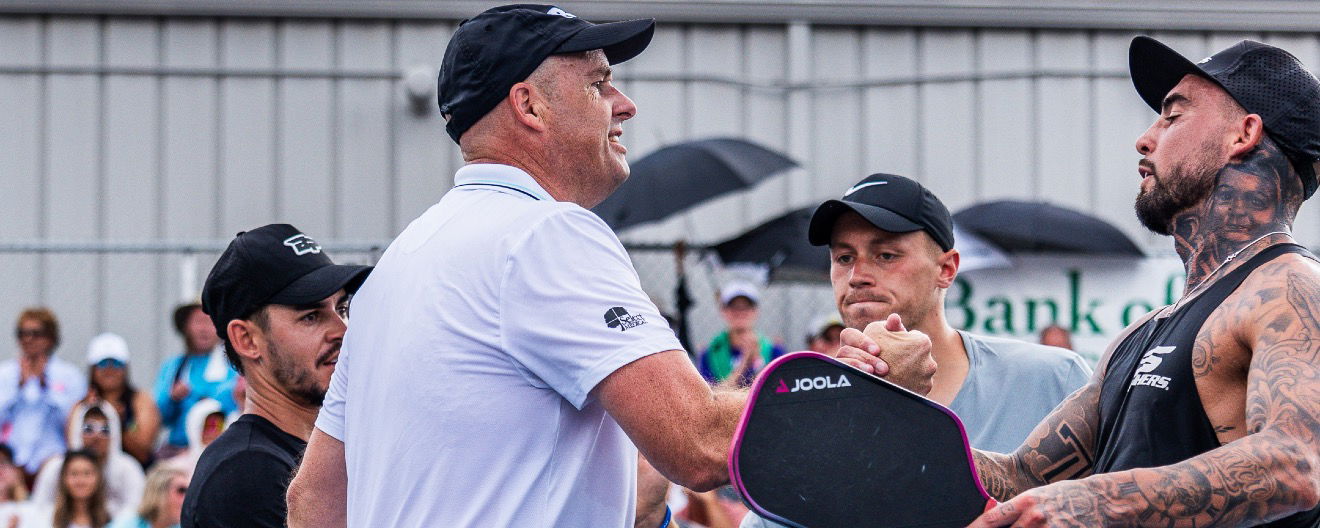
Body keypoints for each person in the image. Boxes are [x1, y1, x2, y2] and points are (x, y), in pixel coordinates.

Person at [285, 6, 933, 527]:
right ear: (528, 106)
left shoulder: (399, 264)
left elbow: (312, 503)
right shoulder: (545, 234)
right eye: (597, 83)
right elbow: (700, 444)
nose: (624, 104)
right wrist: (860, 372)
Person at [834, 37, 1320, 527]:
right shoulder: (1145, 332)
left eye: (1173, 116)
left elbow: (1297, 464)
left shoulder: (1290, 286)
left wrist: (1093, 501)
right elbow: (1021, 478)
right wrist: (893, 409)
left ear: (1244, 133)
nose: (1146, 138)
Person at [740, 173, 1090, 528]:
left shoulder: (1052, 378)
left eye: (886, 254)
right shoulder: (811, 414)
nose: (857, 274)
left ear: (946, 269)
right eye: (844, 258)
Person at [180, 224, 370, 528]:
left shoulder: (328, 452)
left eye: (342, 308)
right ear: (247, 340)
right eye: (311, 316)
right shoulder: (245, 474)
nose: (342, 331)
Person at [0, 308, 87, 481]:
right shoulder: (5, 374)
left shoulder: (70, 376)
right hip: (9, 465)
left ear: (51, 338)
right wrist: (19, 387)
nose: (28, 339)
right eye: (22, 334)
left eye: (35, 333)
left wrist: (45, 387)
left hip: (53, 463)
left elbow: (73, 424)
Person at [153, 304, 237, 458]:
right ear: (186, 327)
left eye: (210, 322)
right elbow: (159, 415)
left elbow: (238, 404)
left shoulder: (234, 366)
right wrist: (172, 397)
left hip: (220, 448)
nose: (204, 329)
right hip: (178, 449)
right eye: (198, 322)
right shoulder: (174, 366)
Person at [32, 404, 143, 519]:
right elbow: (39, 509)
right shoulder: (56, 468)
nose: (96, 436)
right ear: (77, 430)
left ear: (114, 433)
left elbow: (136, 511)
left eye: (105, 429)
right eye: (88, 428)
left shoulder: (128, 469)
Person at [75, 334, 159, 467]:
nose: (109, 369)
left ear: (126, 367)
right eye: (102, 363)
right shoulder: (81, 406)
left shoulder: (140, 400)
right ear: (92, 369)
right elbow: (73, 447)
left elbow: (143, 452)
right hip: (91, 474)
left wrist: (118, 422)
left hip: (136, 471)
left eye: (116, 363)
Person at [697, 281, 786, 386]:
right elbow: (713, 397)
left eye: (746, 307)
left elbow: (777, 390)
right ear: (724, 311)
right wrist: (745, 362)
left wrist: (757, 362)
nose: (740, 312)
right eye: (734, 307)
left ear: (755, 311)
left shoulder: (773, 350)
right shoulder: (710, 353)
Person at [19, 449, 111, 528]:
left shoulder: (112, 517)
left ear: (98, 478)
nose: (80, 481)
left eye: (87, 474)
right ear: (64, 478)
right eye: (74, 474)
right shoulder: (47, 517)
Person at [108, 465, 188, 528]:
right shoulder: (127, 523)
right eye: (181, 490)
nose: (187, 498)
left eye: (189, 491)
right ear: (159, 492)